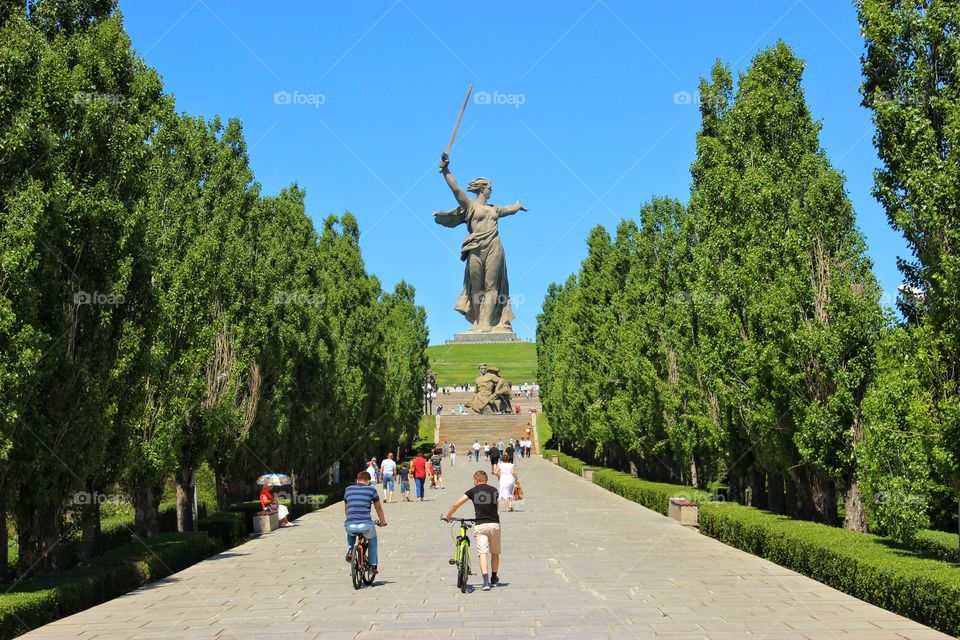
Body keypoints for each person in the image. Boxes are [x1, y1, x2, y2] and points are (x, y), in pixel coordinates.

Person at [442, 470, 501, 591]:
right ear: (486, 479)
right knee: (495, 552)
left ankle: (485, 582)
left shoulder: (472, 491)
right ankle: (494, 578)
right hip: (494, 523)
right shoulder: (494, 490)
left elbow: (455, 504)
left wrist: (448, 516)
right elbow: (496, 507)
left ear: (476, 480)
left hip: (480, 525)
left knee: (482, 552)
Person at [344, 471, 387, 573]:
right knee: (372, 540)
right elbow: (379, 508)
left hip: (350, 524)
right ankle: (372, 566)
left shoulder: (348, 489)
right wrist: (382, 522)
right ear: (368, 481)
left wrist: (349, 519)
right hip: (365, 524)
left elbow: (346, 508)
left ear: (357, 480)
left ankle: (350, 549)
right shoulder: (371, 490)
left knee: (350, 531)